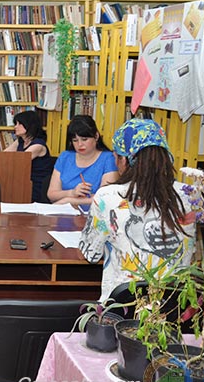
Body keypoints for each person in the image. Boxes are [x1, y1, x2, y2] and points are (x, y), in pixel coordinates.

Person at [78, 118, 196, 301]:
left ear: (125, 160)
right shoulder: (191, 196)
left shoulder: (108, 197)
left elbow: (90, 253)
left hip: (121, 309)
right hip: (175, 308)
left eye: (116, 157)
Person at [47, 115, 118, 208]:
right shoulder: (65, 157)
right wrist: (72, 193)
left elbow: (105, 197)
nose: (80, 144)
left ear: (96, 136)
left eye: (84, 139)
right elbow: (51, 194)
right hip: (64, 213)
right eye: (75, 140)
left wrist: (68, 200)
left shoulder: (109, 159)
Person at [4, 110, 53, 202]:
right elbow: (4, 155)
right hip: (23, 181)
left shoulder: (38, 145)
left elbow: (20, 161)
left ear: (29, 125)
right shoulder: (20, 141)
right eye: (15, 124)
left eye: (19, 124)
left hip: (36, 186)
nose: (15, 127)